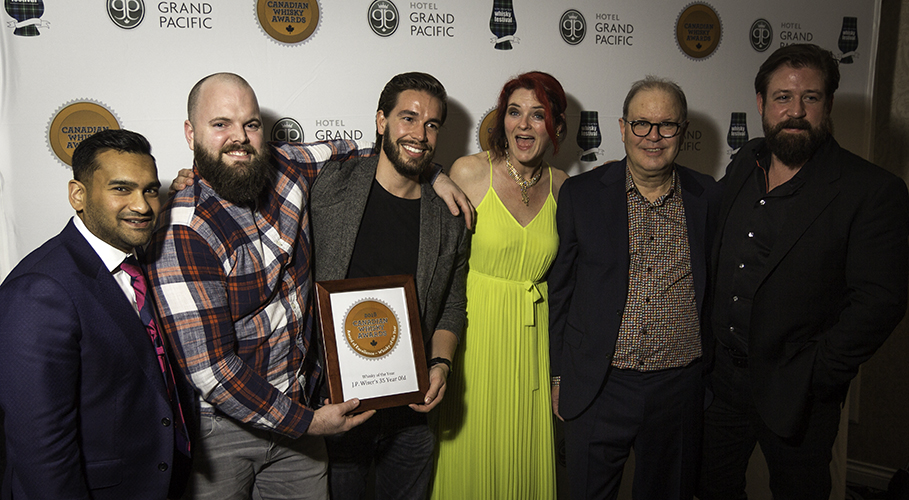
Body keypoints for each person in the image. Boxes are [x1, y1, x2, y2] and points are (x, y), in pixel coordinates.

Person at [152, 73, 470, 499]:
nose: (239, 138)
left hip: (315, 409)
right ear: (190, 133)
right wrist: (309, 423)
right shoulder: (184, 229)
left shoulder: (289, 167)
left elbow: (374, 151)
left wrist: (434, 173)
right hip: (234, 425)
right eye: (220, 124)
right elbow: (214, 372)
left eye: (249, 124)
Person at [698, 43, 909, 500]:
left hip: (799, 391)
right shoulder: (744, 164)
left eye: (810, 98)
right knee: (712, 488)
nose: (795, 111)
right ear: (760, 103)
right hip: (722, 385)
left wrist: (819, 373)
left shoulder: (871, 190)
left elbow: (880, 300)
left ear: (827, 104)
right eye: (782, 97)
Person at [548, 76, 721, 500]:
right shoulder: (581, 194)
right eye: (642, 124)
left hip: (679, 391)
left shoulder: (708, 197)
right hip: (598, 385)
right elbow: (561, 292)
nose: (654, 136)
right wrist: (558, 376)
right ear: (623, 128)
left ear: (682, 131)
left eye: (667, 125)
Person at [0, 129, 191, 499]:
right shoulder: (39, 289)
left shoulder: (134, 266)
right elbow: (41, 452)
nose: (142, 205)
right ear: (78, 195)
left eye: (150, 190)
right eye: (121, 189)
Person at [310, 72, 468, 500]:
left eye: (432, 124)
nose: (420, 133)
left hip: (411, 418)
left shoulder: (449, 217)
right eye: (408, 118)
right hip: (336, 412)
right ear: (381, 121)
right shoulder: (329, 186)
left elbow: (453, 304)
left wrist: (441, 365)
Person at [432, 71, 569, 499]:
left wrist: (562, 373)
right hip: (476, 339)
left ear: (556, 126)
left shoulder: (565, 186)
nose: (524, 125)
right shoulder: (469, 172)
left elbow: (572, 283)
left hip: (534, 346)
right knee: (470, 462)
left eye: (537, 114)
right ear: (501, 120)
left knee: (524, 465)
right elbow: (438, 265)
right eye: (514, 112)